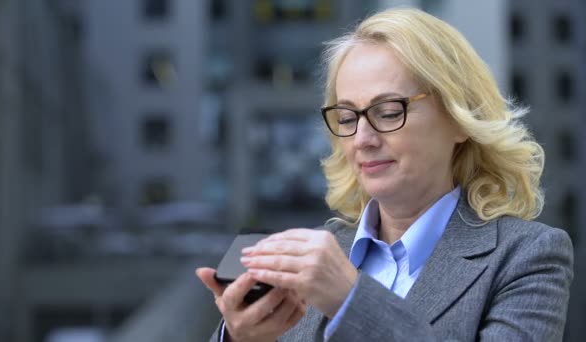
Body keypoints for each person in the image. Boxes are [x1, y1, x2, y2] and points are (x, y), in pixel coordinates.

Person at [196, 7, 573, 341]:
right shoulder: (318, 253)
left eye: (389, 112)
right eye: (346, 117)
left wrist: (350, 300)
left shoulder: (527, 256)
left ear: (460, 120)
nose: (362, 138)